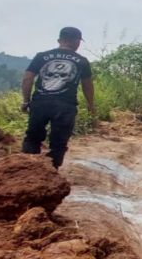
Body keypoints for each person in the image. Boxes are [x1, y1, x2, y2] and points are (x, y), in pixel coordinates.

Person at [21, 27, 95, 169]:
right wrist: (91, 105)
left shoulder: (41, 56)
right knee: (59, 143)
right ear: (76, 41)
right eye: (78, 41)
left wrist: (26, 101)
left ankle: (27, 170)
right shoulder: (82, 61)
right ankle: (51, 174)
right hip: (65, 107)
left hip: (40, 103)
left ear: (60, 40)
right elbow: (88, 85)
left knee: (32, 138)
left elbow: (27, 78)